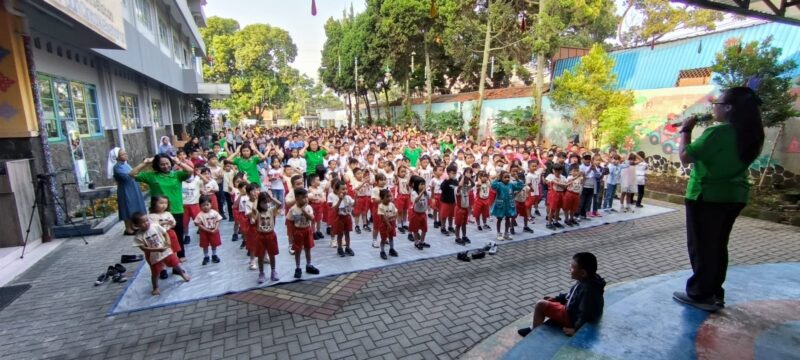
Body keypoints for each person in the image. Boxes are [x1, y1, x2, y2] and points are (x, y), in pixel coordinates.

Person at [672, 87, 764, 312]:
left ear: (729, 108)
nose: (714, 107)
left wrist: (685, 131)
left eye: (718, 104)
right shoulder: (753, 135)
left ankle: (700, 293)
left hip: (707, 194)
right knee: (718, 246)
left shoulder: (718, 133)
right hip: (734, 196)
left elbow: (685, 157)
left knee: (701, 246)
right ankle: (714, 292)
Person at [518, 252, 605, 337]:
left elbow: (585, 313)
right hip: (573, 311)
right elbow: (572, 295)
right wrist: (557, 299)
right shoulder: (588, 280)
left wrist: (576, 330)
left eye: (572, 267)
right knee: (548, 301)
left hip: (571, 317)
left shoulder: (588, 289)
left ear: (583, 273)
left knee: (540, 304)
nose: (569, 269)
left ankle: (533, 331)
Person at [131, 154, 194, 261]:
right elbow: (132, 174)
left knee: (178, 234)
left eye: (167, 163)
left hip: (176, 208)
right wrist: (145, 163)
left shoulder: (176, 175)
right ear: (157, 165)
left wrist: (178, 162)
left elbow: (190, 171)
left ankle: (180, 255)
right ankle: (164, 258)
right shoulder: (151, 176)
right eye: (162, 164)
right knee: (159, 235)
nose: (165, 166)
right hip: (157, 212)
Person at [131, 212, 190, 296]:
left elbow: (165, 233)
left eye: (147, 220)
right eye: (143, 222)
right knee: (155, 272)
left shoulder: (155, 226)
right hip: (153, 256)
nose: (146, 223)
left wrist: (168, 241)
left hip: (166, 250)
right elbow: (143, 248)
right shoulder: (139, 236)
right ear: (137, 225)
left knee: (175, 263)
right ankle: (155, 287)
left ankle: (183, 274)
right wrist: (157, 249)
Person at [108, 147, 146, 235]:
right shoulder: (117, 167)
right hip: (126, 189)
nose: (126, 155)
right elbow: (127, 176)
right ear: (116, 157)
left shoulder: (125, 164)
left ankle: (133, 226)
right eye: (123, 154)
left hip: (132, 187)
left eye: (125, 153)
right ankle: (128, 228)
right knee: (127, 207)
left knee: (134, 206)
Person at [287, 188, 320, 278]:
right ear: (297, 199)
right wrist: (291, 236)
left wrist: (305, 211)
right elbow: (289, 222)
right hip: (298, 231)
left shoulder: (308, 207)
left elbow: (312, 218)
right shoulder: (292, 209)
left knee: (308, 248)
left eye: (306, 197)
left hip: (307, 230)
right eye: (303, 198)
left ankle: (308, 265)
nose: (306, 199)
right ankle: (298, 268)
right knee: (298, 250)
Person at [251, 192, 281, 283]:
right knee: (260, 255)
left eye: (267, 202)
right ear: (259, 203)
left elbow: (279, 204)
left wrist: (271, 198)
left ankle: (273, 271)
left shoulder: (272, 211)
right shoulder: (258, 212)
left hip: (271, 235)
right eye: (263, 202)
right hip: (260, 236)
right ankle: (261, 273)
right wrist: (257, 198)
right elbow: (253, 208)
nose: (266, 204)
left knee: (272, 254)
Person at [491, 170, 524, 240]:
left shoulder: (511, 184)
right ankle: (499, 233)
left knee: (508, 218)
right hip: (501, 205)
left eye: (508, 177)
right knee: (499, 219)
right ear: (501, 178)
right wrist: (497, 178)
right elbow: (493, 185)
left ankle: (506, 233)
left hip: (509, 205)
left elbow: (521, 185)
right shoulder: (499, 184)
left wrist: (517, 179)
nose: (507, 179)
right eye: (505, 177)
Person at [195, 195, 223, 266]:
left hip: (214, 230)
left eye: (207, 204)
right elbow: (199, 224)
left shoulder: (214, 212)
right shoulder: (200, 215)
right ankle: (206, 256)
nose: (206, 206)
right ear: (200, 206)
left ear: (211, 204)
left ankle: (214, 255)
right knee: (205, 245)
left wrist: (216, 228)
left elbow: (218, 220)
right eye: (203, 205)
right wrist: (206, 230)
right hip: (204, 232)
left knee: (214, 243)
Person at [377, 189, 399, 260]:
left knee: (391, 237)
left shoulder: (392, 204)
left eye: (390, 196)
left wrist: (391, 218)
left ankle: (391, 249)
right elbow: (383, 218)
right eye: (387, 197)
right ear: (382, 198)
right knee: (383, 238)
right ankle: (382, 251)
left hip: (391, 223)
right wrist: (389, 224)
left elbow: (396, 213)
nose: (389, 198)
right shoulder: (380, 206)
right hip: (384, 225)